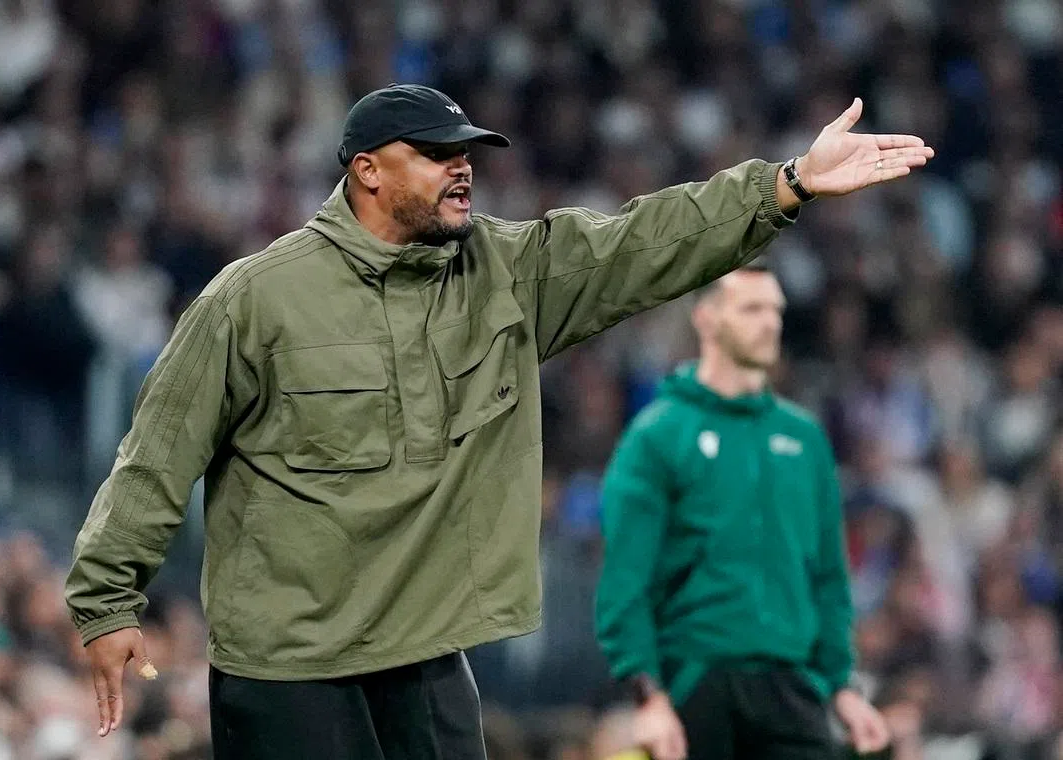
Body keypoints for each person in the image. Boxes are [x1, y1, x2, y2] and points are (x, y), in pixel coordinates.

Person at [65, 83, 931, 759]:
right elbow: (156, 454)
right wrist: (107, 603)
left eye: (467, 152)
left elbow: (642, 242)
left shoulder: (504, 272)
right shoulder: (255, 298)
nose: (463, 167)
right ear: (367, 169)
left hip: (429, 659)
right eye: (436, 154)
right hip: (291, 669)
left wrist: (784, 186)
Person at [594, 262, 892, 760]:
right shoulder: (658, 435)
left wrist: (841, 685)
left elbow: (830, 578)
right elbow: (625, 581)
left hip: (793, 684)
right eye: (752, 308)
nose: (771, 322)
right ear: (706, 319)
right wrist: (648, 695)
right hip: (695, 681)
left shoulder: (805, 438)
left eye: (775, 309)